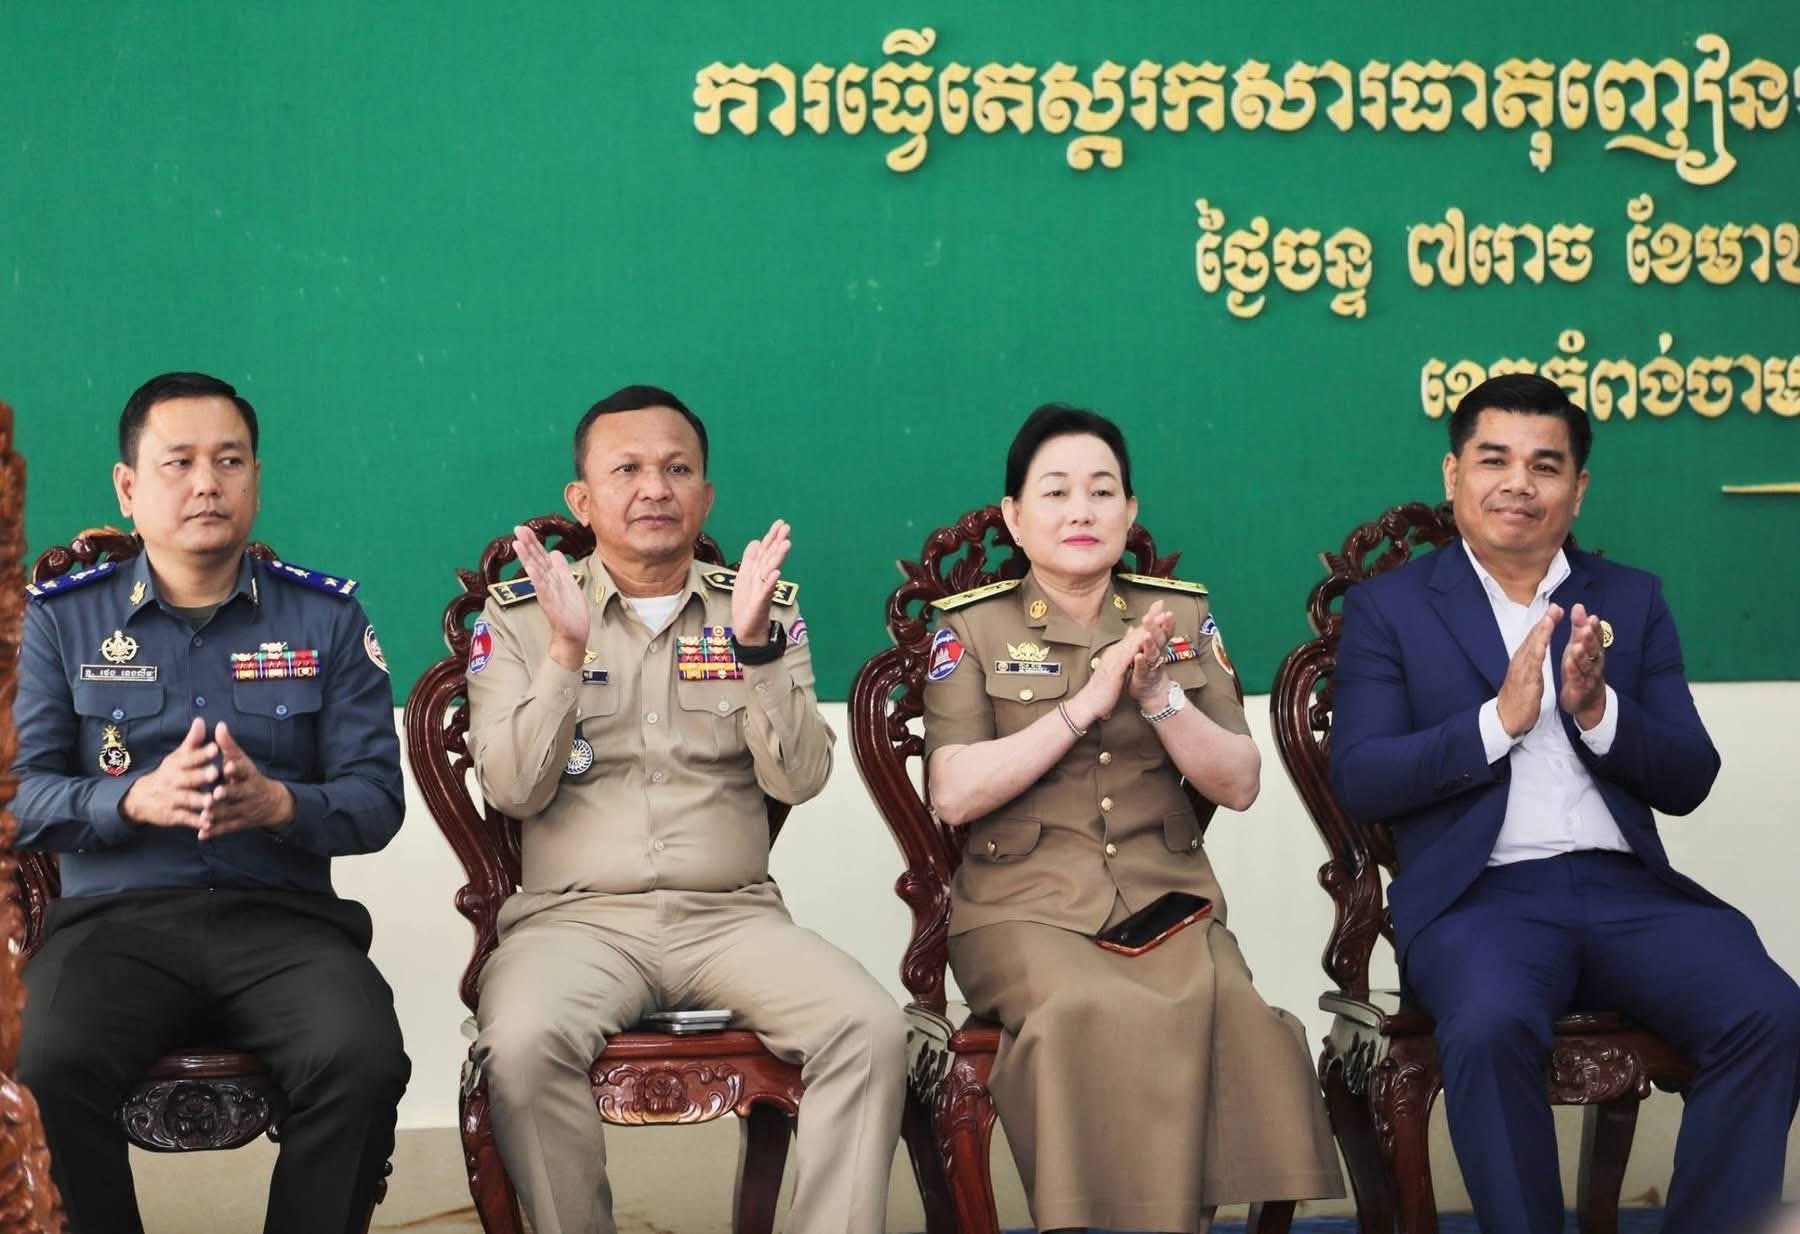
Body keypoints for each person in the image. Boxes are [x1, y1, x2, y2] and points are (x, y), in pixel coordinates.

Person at [1330, 372, 1800, 1234]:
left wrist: (1598, 712)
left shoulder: (1631, 598)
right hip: (1479, 901)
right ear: (1453, 474)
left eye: (1545, 466)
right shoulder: (1390, 609)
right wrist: (1496, 724)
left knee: (1768, 1012)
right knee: (1490, 1026)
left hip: (1628, 894)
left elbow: (1690, 776)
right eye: (1494, 460)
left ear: (1577, 489)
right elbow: (1361, 775)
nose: (1518, 483)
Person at [463, 384, 906, 1234]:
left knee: (870, 1028)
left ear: (705, 495)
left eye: (676, 470)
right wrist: (565, 651)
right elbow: (513, 789)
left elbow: (802, 779)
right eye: (626, 470)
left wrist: (755, 648)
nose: (654, 489)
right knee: (520, 1044)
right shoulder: (520, 617)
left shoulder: (761, 607)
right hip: (574, 924)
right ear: (582, 499)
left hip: (731, 919)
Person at [923, 403, 1342, 1234]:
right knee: (1085, 1008)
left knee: (1242, 1016)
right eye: (1056, 492)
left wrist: (1158, 696)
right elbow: (954, 793)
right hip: (1022, 910)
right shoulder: (970, 625)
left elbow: (1240, 782)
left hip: (1167, 902)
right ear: (1015, 515)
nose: (1081, 510)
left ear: (1130, 510)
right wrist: (1084, 705)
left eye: (1102, 491)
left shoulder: (1178, 617)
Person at [13, 371, 409, 1234]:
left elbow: (378, 802)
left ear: (255, 480)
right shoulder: (59, 623)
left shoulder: (326, 619)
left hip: (282, 924)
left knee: (361, 1055)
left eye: (229, 461)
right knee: (39, 1063)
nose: (207, 483)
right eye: (179, 462)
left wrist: (279, 806)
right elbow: (19, 800)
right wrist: (131, 800)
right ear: (128, 488)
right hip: (113, 927)